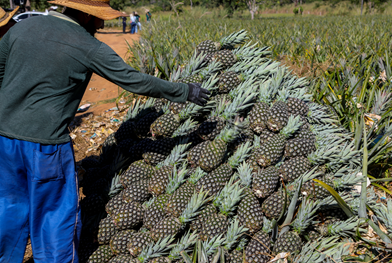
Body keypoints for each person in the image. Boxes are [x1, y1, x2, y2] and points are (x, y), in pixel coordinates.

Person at [0, 0, 210, 262]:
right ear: (88, 16)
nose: (102, 24)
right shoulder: (87, 45)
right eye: (101, 19)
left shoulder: (22, 28)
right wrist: (184, 91)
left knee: (8, 208)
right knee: (54, 217)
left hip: (4, 139)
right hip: (46, 145)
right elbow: (134, 81)